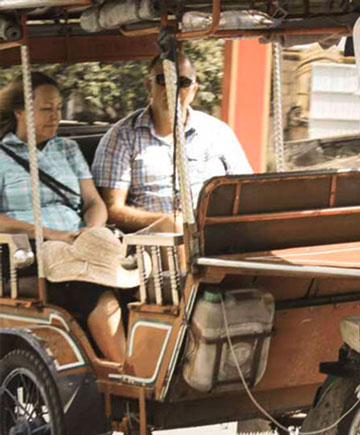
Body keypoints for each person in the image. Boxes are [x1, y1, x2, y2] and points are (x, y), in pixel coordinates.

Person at [0, 72, 127, 363]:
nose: (55, 116)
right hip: (29, 253)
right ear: (19, 111)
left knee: (138, 278)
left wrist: (90, 230)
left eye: (58, 108)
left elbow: (94, 202)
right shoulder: (2, 157)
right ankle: (123, 371)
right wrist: (50, 233)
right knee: (96, 291)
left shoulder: (67, 149)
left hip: (79, 242)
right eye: (46, 109)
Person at [92, 53, 252, 233]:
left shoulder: (218, 133)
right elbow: (112, 210)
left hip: (215, 234)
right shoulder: (121, 137)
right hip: (153, 245)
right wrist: (169, 222)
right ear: (148, 85)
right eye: (163, 79)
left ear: (193, 91)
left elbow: (247, 192)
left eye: (182, 83)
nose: (172, 89)